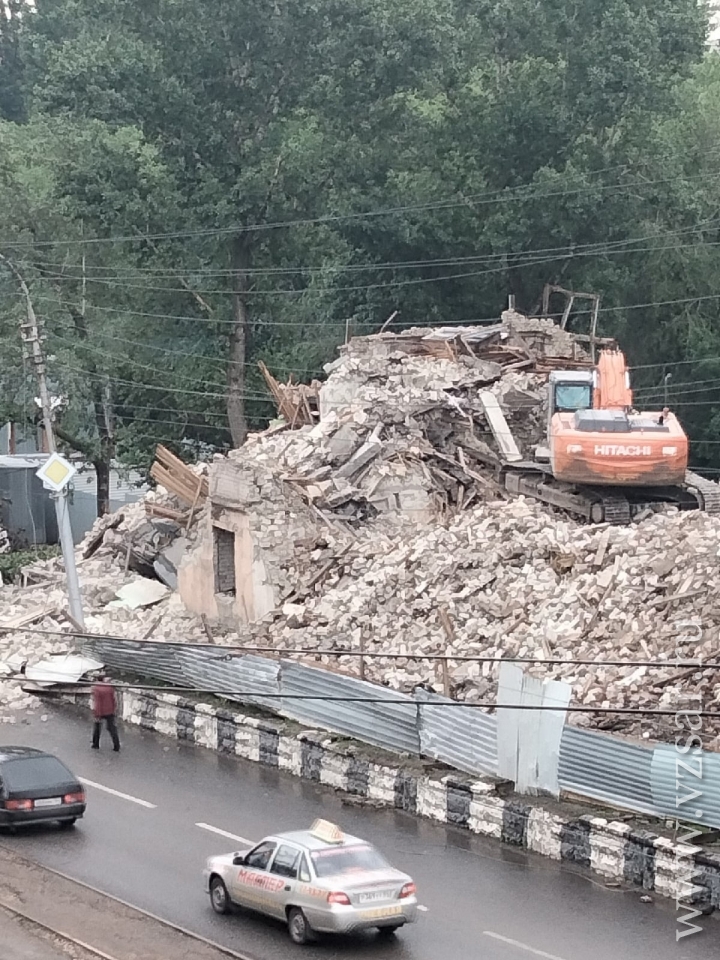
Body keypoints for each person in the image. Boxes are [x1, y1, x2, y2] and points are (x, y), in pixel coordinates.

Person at [92, 676, 120, 752]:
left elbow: (98, 702)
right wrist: (114, 709)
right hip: (110, 710)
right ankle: (116, 745)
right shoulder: (109, 687)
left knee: (97, 728)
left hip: (100, 711)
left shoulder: (96, 689)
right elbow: (114, 699)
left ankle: (95, 744)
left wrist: (97, 713)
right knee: (112, 728)